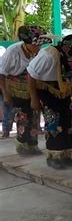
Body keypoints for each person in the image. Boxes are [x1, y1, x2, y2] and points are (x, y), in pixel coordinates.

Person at [27, 35, 72, 170]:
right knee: (54, 121)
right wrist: (34, 98)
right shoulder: (49, 55)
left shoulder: (71, 58)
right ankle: (53, 156)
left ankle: (65, 155)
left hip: (63, 91)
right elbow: (31, 76)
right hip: (45, 89)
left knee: (67, 121)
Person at [0, 26, 52, 155]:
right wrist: (6, 94)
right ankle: (22, 145)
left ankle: (33, 145)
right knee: (23, 116)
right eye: (36, 45)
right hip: (16, 88)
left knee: (34, 115)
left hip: (32, 86)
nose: (38, 48)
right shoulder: (13, 51)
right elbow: (1, 74)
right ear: (27, 43)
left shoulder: (38, 52)